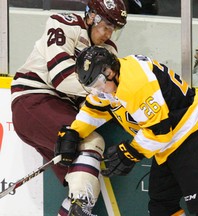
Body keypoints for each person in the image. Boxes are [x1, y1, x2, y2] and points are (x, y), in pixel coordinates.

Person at [59, 45, 198, 215]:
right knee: (161, 208)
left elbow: (160, 132)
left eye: (98, 84)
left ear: (109, 72)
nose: (98, 91)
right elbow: (95, 108)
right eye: (92, 87)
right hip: (169, 147)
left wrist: (131, 152)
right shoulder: (113, 80)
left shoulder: (135, 83)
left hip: (194, 139)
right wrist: (75, 132)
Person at [10, 0, 127, 215]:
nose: (109, 34)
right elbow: (61, 78)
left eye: (114, 29)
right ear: (92, 17)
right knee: (92, 142)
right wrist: (105, 94)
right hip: (34, 99)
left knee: (88, 177)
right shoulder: (63, 23)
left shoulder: (108, 50)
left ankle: (78, 208)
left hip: (62, 108)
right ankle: (81, 205)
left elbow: (94, 100)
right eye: (106, 26)